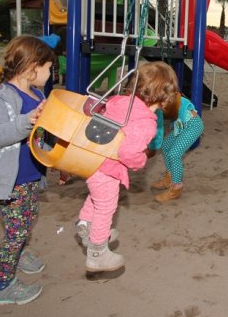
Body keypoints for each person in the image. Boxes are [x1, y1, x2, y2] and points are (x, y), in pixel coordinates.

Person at [75, 61, 178, 272]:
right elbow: (128, 153)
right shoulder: (146, 122)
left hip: (92, 158)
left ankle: (86, 226)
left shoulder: (119, 101)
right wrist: (140, 162)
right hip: (107, 168)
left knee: (96, 196)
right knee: (106, 206)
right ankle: (97, 253)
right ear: (166, 96)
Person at [0, 35, 56, 306]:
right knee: (16, 231)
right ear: (31, 67)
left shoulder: (37, 93)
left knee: (27, 218)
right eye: (48, 68)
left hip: (30, 175)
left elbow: (41, 133)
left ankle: (20, 254)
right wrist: (27, 120)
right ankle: (2, 287)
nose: (50, 73)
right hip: (10, 180)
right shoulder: (1, 99)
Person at [149, 90, 204, 203]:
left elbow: (184, 103)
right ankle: (169, 178)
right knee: (165, 146)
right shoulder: (158, 101)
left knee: (175, 154)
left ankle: (176, 187)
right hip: (181, 125)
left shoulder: (172, 98)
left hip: (193, 125)